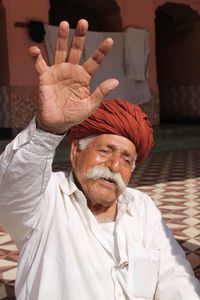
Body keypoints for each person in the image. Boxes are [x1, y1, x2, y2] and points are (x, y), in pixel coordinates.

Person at [0, 19, 199, 300]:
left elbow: (174, 276)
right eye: (105, 151)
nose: (115, 166)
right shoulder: (45, 200)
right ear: (75, 152)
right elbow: (10, 190)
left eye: (127, 159)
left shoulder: (141, 208)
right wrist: (48, 129)